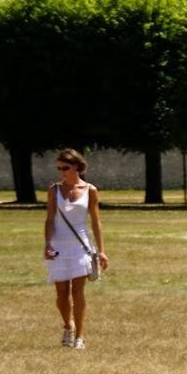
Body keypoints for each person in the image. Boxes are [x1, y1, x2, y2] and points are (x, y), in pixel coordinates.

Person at [41, 148, 106, 349]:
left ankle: (79, 336)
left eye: (65, 167)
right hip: (58, 245)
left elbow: (96, 222)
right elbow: (50, 218)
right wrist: (47, 244)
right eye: (59, 168)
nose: (61, 172)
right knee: (62, 294)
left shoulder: (90, 190)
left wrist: (101, 250)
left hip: (81, 246)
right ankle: (67, 325)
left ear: (76, 167)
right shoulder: (53, 190)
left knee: (78, 292)